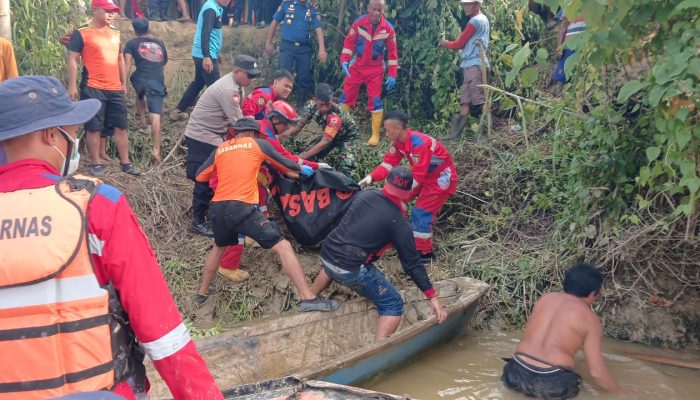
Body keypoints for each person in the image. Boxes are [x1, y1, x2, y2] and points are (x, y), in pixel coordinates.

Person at [0, 75, 222, 399]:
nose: (73, 140)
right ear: (50, 135)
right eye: (72, 131)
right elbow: (160, 329)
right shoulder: (97, 206)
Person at [193, 117, 340, 313]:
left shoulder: (220, 149)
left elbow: (200, 175)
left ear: (236, 131)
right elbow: (286, 163)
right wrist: (302, 168)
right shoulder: (257, 144)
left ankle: (202, 293)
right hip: (242, 207)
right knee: (283, 246)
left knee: (219, 247)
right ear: (253, 133)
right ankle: (308, 296)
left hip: (218, 209)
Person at [310, 166, 447, 340]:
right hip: (349, 268)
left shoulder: (366, 194)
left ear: (386, 183)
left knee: (338, 257)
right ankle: (378, 349)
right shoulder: (400, 224)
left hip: (327, 253)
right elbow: (411, 264)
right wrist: (432, 297)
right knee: (393, 304)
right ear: (408, 193)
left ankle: (310, 297)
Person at [502, 262, 635, 399]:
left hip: (515, 372)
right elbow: (597, 373)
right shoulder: (590, 319)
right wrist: (620, 391)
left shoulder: (545, 299)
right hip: (552, 382)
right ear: (593, 293)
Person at [358, 110, 457, 261]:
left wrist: (398, 192)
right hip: (423, 177)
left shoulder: (419, 144)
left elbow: (418, 176)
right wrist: (371, 177)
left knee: (420, 212)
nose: (385, 133)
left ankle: (425, 254)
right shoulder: (399, 143)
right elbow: (387, 164)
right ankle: (395, 235)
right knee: (392, 200)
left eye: (387, 129)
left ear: (398, 129)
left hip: (439, 179)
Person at [184, 54, 259, 237]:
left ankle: (208, 212)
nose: (252, 79)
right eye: (249, 75)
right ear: (237, 72)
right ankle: (198, 221)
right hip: (203, 136)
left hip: (214, 134)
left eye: (254, 75)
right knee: (204, 177)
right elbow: (239, 123)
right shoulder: (228, 90)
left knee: (214, 176)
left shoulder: (236, 85)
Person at [66, 0, 141, 177]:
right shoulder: (82, 32)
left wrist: (123, 83)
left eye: (114, 11)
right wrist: (71, 85)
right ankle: (96, 163)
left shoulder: (115, 32)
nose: (111, 14)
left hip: (115, 87)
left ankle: (126, 162)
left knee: (121, 126)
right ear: (95, 10)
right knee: (94, 126)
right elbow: (73, 60)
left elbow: (120, 58)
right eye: (107, 11)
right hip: (93, 86)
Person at [339, 0, 398, 146]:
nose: (377, 13)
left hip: (376, 69)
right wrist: (344, 60)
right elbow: (348, 44)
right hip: (357, 66)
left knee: (375, 100)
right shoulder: (358, 23)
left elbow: (392, 54)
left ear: (383, 10)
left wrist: (392, 75)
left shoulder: (388, 29)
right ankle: (341, 128)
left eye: (380, 10)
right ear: (368, 9)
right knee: (346, 96)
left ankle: (375, 135)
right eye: (374, 9)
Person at [438, 0, 490, 141]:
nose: (465, 7)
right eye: (465, 5)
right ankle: (455, 134)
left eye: (469, 4)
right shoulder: (482, 19)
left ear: (477, 6)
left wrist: (446, 43)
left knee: (479, 99)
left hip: (475, 65)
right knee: (465, 100)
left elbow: (460, 43)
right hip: (471, 65)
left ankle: (486, 134)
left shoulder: (475, 21)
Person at [284, 83, 358, 177]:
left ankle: (347, 185)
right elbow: (298, 126)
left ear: (332, 100)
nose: (325, 108)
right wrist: (283, 135)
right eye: (321, 104)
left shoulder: (335, 116)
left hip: (346, 138)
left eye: (328, 104)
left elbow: (324, 142)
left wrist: (300, 158)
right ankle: (306, 178)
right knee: (310, 154)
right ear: (315, 100)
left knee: (347, 164)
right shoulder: (311, 106)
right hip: (328, 134)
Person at [265, 0, 327, 108]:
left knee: (304, 78)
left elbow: (318, 28)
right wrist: (269, 41)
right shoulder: (287, 4)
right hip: (287, 46)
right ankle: (280, 104)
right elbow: (275, 22)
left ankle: (300, 106)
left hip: (304, 48)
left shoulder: (312, 7)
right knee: (283, 75)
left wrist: (322, 49)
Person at [123, 17, 168, 164]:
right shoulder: (160, 43)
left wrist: (124, 84)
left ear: (134, 30)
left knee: (140, 93)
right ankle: (156, 149)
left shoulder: (130, 44)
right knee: (155, 116)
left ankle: (142, 120)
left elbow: (127, 64)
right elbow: (164, 60)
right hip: (156, 81)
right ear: (149, 29)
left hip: (139, 80)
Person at [174, 0, 229, 116]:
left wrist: (217, 52)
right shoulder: (211, 9)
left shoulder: (216, 7)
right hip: (204, 55)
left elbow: (214, 33)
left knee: (198, 83)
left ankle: (180, 108)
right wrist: (207, 56)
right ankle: (218, 115)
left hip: (205, 53)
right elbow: (205, 33)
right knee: (216, 88)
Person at [551, 15, 585, 97]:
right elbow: (563, 25)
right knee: (563, 73)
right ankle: (558, 96)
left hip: (585, 43)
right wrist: (560, 46)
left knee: (581, 72)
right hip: (569, 43)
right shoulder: (569, 3)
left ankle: (576, 97)